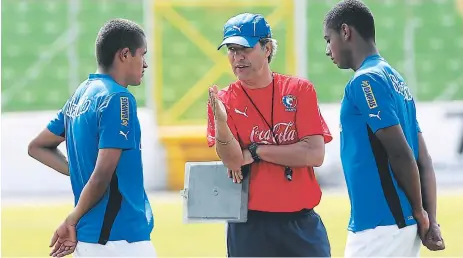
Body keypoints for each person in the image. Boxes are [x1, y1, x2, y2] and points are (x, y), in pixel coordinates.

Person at [323, 0, 445, 256]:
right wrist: (428, 218)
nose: (327, 50)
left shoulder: (365, 81)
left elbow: (401, 152)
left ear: (345, 32)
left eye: (328, 39)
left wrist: (421, 213)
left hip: (380, 227)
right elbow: (424, 159)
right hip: (398, 225)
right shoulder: (395, 79)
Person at [207, 12, 333, 257]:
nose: (237, 57)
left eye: (245, 48)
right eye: (231, 49)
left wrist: (255, 151)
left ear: (267, 48)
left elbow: (314, 154)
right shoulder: (223, 101)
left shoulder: (299, 90)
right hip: (249, 226)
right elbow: (233, 161)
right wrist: (221, 123)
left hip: (302, 224)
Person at [27, 18, 156, 257]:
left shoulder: (80, 94)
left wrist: (78, 171)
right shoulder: (119, 99)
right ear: (125, 54)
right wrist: (71, 219)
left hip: (87, 241)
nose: (145, 64)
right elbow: (102, 175)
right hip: (119, 239)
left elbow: (37, 147)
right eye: (142, 54)